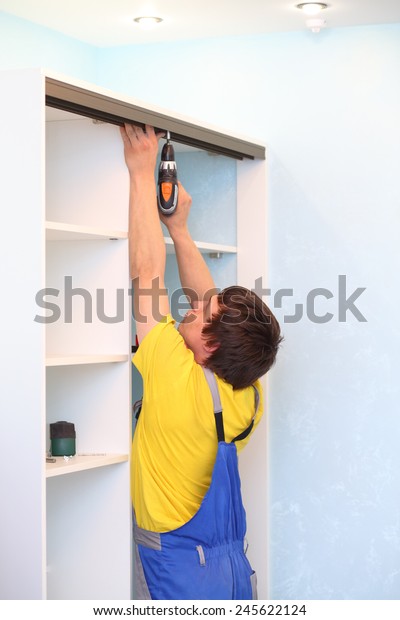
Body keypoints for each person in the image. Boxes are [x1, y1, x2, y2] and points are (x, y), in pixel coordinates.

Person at [120, 123, 282, 600]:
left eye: (199, 312)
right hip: (229, 572)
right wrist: (179, 229)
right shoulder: (248, 395)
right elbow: (207, 303)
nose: (192, 303)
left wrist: (140, 169)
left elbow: (146, 272)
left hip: (175, 570)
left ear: (209, 346)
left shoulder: (174, 374)